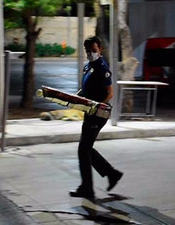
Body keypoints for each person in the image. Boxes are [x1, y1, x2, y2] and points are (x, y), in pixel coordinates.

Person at [69, 36, 123, 199]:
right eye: (88, 51)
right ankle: (111, 174)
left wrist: (98, 106)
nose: (91, 53)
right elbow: (85, 89)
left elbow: (110, 93)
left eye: (94, 50)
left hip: (98, 113)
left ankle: (88, 188)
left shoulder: (101, 68)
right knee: (86, 149)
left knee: (83, 149)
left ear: (100, 49)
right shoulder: (89, 67)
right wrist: (74, 97)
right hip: (89, 111)